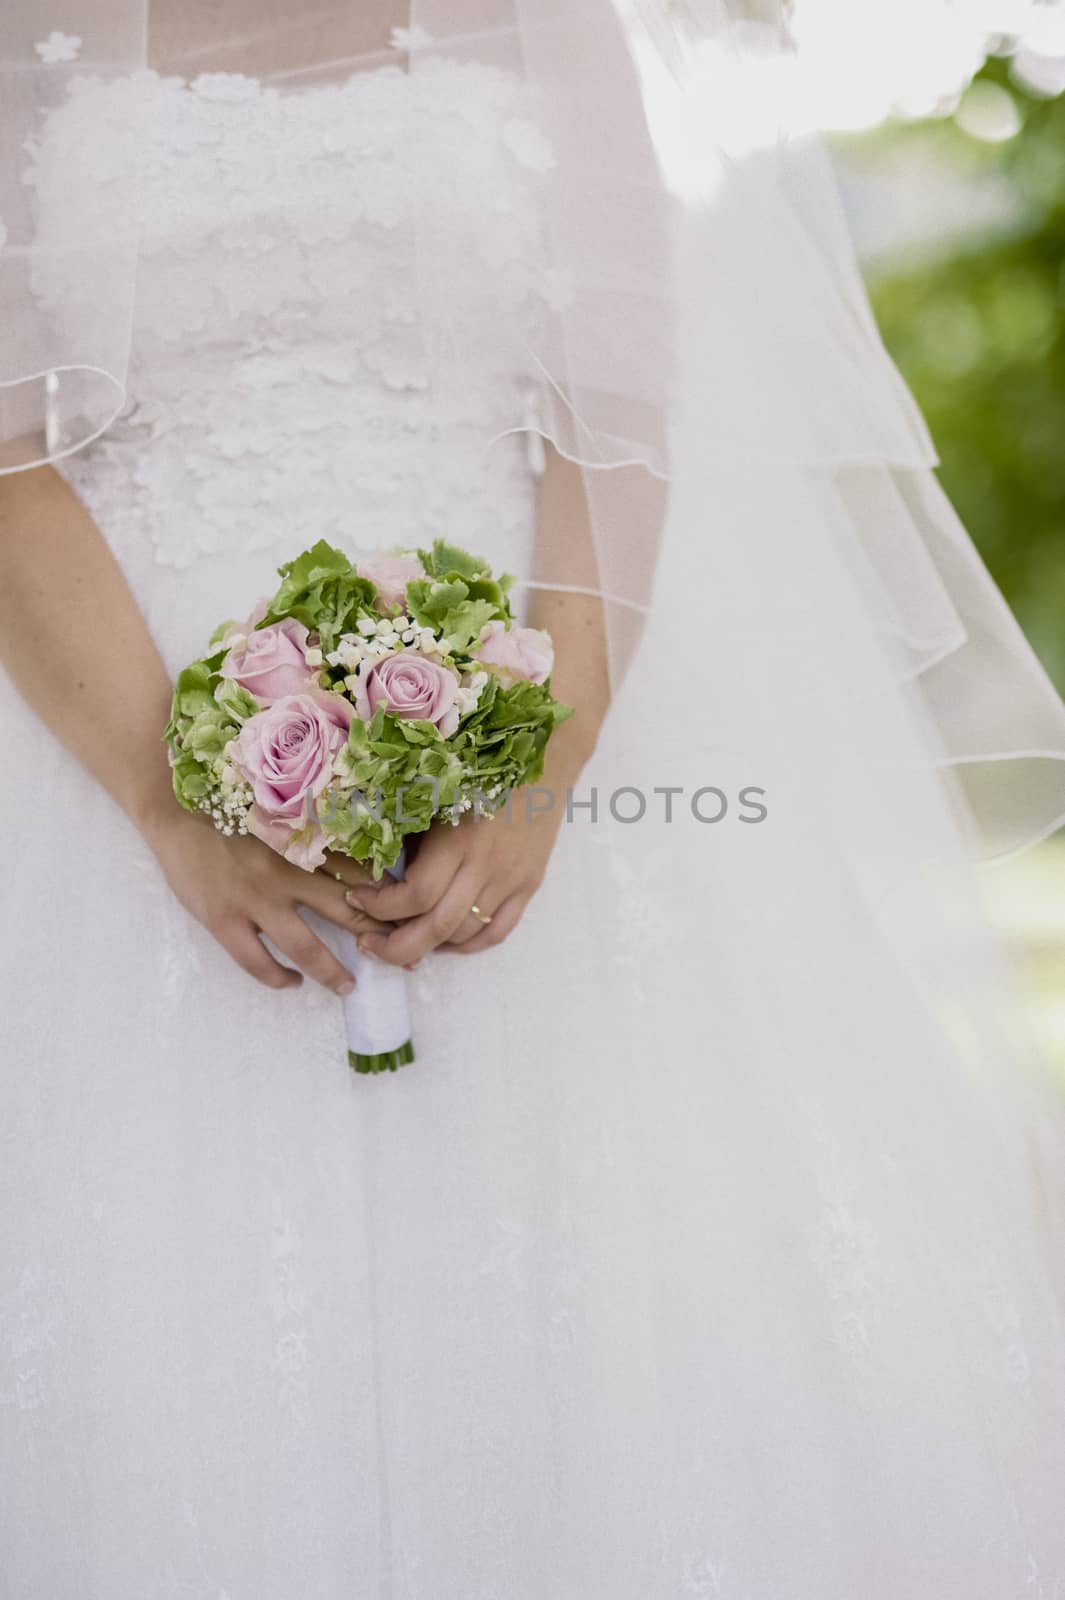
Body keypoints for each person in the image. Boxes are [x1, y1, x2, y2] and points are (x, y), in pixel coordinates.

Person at [3, 3, 1065, 1594]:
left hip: (528, 708)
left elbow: (616, 410)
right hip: (104, 734)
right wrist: (168, 795)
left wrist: (539, 769)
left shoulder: (543, 16)